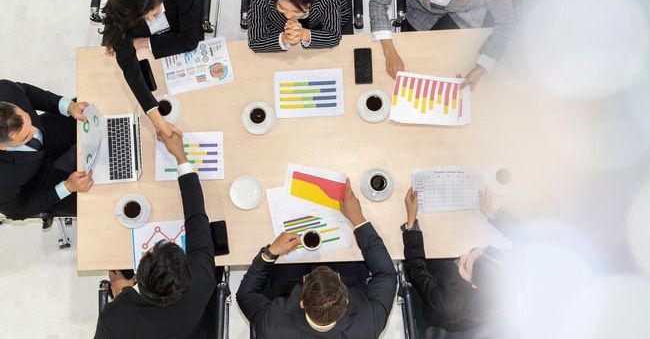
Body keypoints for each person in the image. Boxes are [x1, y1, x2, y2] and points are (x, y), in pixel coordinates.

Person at [236, 179, 397, 338]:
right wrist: (358, 220)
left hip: (289, 286)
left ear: (302, 302)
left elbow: (245, 295)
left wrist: (270, 253)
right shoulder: (369, 325)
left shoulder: (273, 327)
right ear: (346, 300)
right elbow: (387, 274)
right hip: (341, 280)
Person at [94, 131, 217, 339]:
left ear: (139, 279)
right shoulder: (202, 278)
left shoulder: (115, 318)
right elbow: (197, 218)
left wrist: (122, 297)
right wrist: (181, 158)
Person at [400, 188, 511, 334]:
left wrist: (411, 223)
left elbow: (416, 268)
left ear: (475, 285)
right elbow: (523, 235)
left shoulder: (449, 303)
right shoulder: (509, 265)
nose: (462, 256)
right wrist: (491, 214)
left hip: (435, 302)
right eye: (474, 251)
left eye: (465, 265)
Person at [100, 0, 203, 139]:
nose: (150, 17)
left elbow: (190, 40)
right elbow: (130, 68)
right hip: (151, 54)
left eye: (151, 9)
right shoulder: (123, 0)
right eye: (143, 14)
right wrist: (158, 121)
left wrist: (144, 42)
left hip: (173, 41)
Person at [369, 0, 517, 89]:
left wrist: (483, 66)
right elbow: (378, 3)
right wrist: (389, 52)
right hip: (420, 11)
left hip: (465, 12)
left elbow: (507, 21)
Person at [0, 80, 92, 224]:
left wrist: (69, 106)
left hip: (49, 131)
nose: (34, 132)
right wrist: (67, 187)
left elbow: (29, 93)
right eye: (26, 136)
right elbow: (18, 210)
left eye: (28, 119)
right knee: (99, 198)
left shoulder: (5, 90)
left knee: (93, 113)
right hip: (39, 182)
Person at [248, 0, 352, 52]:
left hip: (320, 26)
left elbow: (333, 35)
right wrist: (285, 37)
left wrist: (302, 34)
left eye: (297, 11)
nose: (289, 16)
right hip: (277, 29)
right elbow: (255, 40)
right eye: (281, 7)